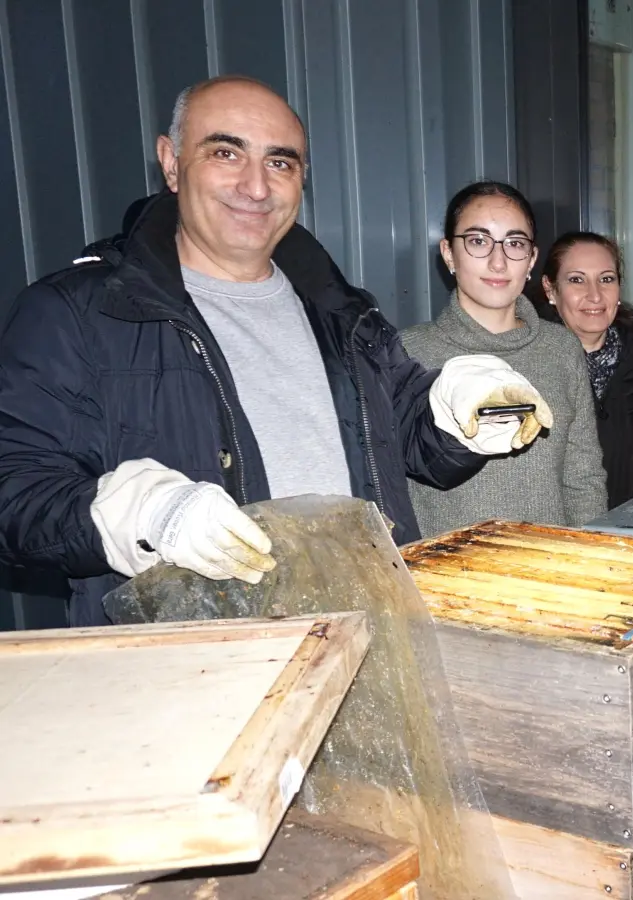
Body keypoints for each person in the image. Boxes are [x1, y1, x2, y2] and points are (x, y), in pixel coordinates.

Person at [0, 75, 548, 626]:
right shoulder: (75, 313)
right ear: (170, 162)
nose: (256, 187)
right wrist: (136, 514)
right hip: (191, 669)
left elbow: (409, 437)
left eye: (280, 163)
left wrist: (458, 413)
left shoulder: (340, 311)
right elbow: (14, 494)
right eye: (225, 152)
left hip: (367, 637)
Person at [402, 183, 608, 535]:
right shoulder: (407, 354)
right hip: (445, 575)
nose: (498, 262)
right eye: (478, 241)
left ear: (530, 259)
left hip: (549, 571)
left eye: (514, 244)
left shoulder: (560, 350)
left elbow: (583, 477)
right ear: (449, 253)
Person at [536, 231, 633, 509]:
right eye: (577, 280)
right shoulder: (529, 365)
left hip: (618, 529)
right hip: (548, 535)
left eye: (606, 279)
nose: (595, 294)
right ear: (551, 290)